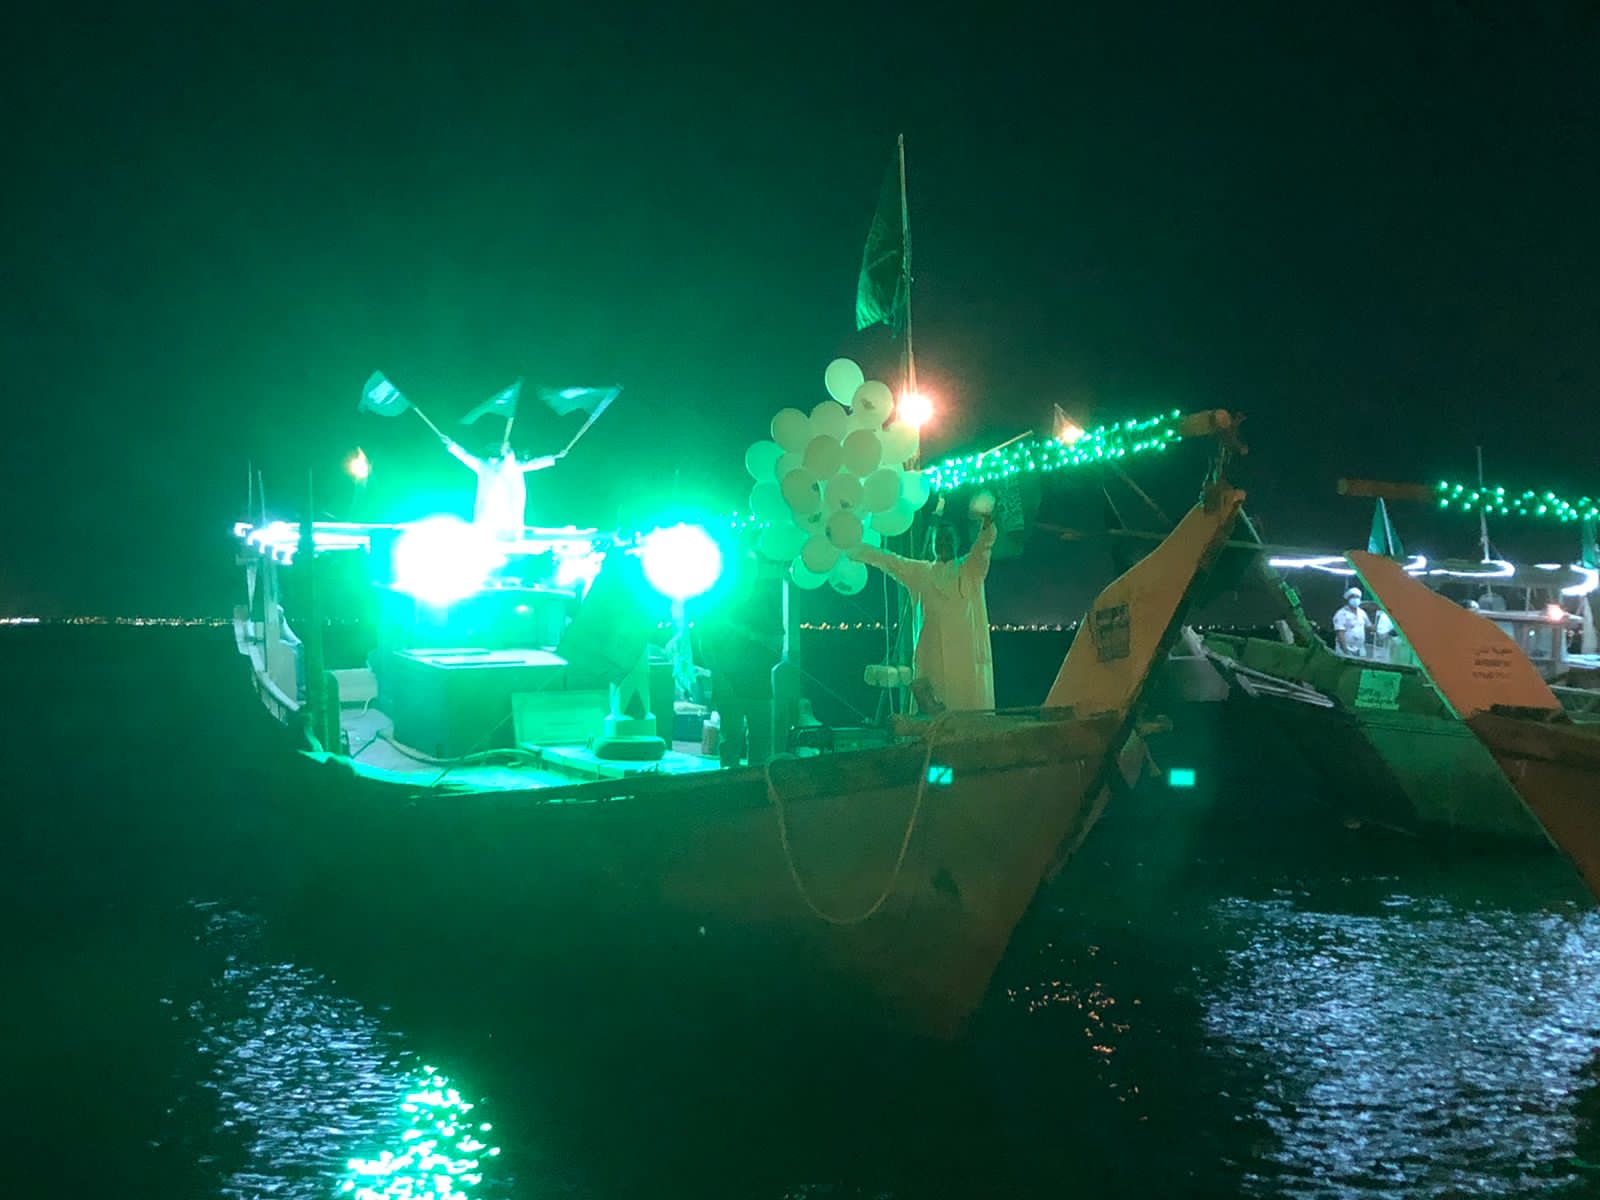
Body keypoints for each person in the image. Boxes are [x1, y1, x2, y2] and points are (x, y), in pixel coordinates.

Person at [849, 509, 997, 713]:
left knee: (968, 708)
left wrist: (987, 525)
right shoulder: (921, 572)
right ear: (932, 544)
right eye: (939, 539)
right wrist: (854, 548)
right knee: (931, 714)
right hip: (931, 657)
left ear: (957, 542)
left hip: (966, 659)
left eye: (948, 538)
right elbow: (889, 561)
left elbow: (983, 548)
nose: (943, 543)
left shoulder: (970, 569)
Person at [696, 547, 783, 767]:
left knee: (761, 741)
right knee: (731, 740)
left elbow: (777, 641)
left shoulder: (764, 599)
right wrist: (718, 675)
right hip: (728, 683)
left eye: (751, 568)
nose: (748, 572)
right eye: (744, 568)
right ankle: (730, 782)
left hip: (760, 684)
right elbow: (705, 643)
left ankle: (758, 782)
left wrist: (750, 634)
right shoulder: (718, 599)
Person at [440, 432, 564, 542]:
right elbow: (465, 455)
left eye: (497, 447)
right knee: (487, 534)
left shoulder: (512, 466)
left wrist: (553, 457)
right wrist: (451, 445)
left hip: (508, 512)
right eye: (492, 447)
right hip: (488, 512)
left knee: (508, 533)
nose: (494, 449)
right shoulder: (482, 465)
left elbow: (534, 463)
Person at [1332, 586, 1371, 656]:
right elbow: (1340, 634)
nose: (1355, 599)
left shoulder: (1362, 613)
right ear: (1348, 599)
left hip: (1360, 650)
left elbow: (1370, 627)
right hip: (1345, 651)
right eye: (1353, 597)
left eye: (1357, 597)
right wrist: (1346, 652)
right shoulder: (1341, 613)